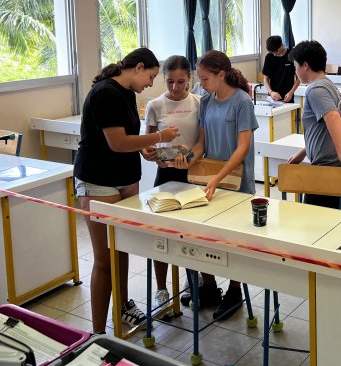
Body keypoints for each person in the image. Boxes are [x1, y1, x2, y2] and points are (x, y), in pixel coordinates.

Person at [74, 48, 180, 334]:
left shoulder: (127, 93)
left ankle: (122, 306)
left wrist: (144, 147)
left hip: (125, 177)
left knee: (121, 249)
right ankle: (97, 334)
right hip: (98, 180)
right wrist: (159, 136)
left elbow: (129, 138)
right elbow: (117, 143)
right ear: (138, 67)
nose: (151, 83)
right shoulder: (104, 93)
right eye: (151, 76)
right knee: (104, 259)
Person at [184, 50, 258, 321]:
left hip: (236, 182)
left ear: (221, 75)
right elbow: (201, 143)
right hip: (211, 183)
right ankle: (209, 286)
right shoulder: (206, 101)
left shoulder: (242, 102)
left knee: (234, 240)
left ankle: (235, 291)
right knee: (205, 236)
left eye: (205, 79)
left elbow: (242, 148)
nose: (201, 84)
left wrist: (218, 177)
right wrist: (187, 159)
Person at [144, 55, 200, 312]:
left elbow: (203, 140)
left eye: (181, 82)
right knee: (161, 234)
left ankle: (193, 281)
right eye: (170, 82)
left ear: (189, 79)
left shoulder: (198, 103)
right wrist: (151, 154)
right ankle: (161, 288)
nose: (175, 87)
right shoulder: (155, 105)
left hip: (193, 174)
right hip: (166, 176)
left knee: (192, 233)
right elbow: (147, 143)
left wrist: (192, 157)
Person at [286, 40, 341, 208]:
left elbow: (334, 118)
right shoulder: (326, 83)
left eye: (296, 66)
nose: (295, 71)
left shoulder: (315, 90)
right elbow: (324, 129)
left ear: (305, 66)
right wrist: (305, 151)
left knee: (318, 219)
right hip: (337, 166)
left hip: (332, 169)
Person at [261, 35, 300, 103]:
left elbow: (298, 78)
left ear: (281, 45)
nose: (274, 54)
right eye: (272, 52)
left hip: (288, 97)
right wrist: (271, 92)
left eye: (275, 51)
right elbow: (265, 79)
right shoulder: (269, 57)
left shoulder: (292, 56)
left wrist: (291, 92)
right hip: (273, 97)